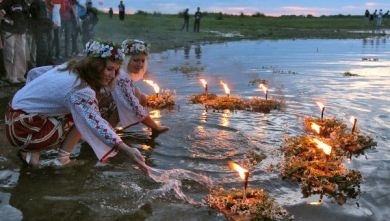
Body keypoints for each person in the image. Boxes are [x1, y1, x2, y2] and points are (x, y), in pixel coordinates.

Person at [4, 39, 150, 175]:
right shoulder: (81, 90)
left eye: (116, 70)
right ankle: (59, 159)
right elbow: (96, 123)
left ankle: (33, 151)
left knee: (84, 109)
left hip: (12, 117)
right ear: (95, 66)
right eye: (109, 69)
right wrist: (127, 149)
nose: (113, 75)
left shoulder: (69, 67)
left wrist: (33, 99)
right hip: (24, 131)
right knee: (84, 116)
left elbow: (33, 73)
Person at [101, 39, 169, 134]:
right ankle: (106, 132)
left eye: (142, 61)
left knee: (140, 95)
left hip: (103, 107)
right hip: (99, 111)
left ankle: (111, 128)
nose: (140, 64)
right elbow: (134, 105)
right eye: (136, 60)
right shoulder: (121, 77)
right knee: (132, 100)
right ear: (126, 60)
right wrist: (155, 127)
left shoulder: (121, 72)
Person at [0, 0, 29, 83]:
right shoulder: (5, 3)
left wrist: (25, 25)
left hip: (21, 30)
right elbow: (1, 15)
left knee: (21, 53)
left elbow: (27, 14)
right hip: (9, 31)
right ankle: (10, 76)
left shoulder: (23, 2)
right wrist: (9, 21)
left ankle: (20, 75)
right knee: (10, 53)